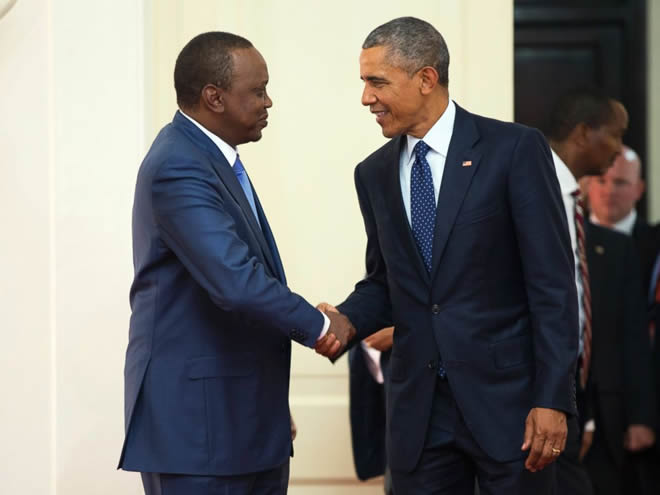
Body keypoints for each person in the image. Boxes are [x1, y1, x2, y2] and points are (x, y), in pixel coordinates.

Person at [317, 16, 579, 494]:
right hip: (419, 415)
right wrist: (346, 323)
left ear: (425, 78)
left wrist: (553, 398)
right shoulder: (372, 174)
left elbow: (553, 287)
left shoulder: (514, 150)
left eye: (377, 82)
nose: (366, 98)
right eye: (364, 83)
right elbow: (385, 281)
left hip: (512, 410)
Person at [117, 32, 354, 495]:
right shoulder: (178, 165)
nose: (269, 102)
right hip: (199, 433)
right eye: (258, 90)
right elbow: (236, 282)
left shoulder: (212, 160)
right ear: (215, 97)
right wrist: (320, 326)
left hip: (240, 420)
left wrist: (264, 402)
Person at [545, 90, 655, 495]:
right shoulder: (533, 190)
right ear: (584, 134)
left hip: (574, 400)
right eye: (616, 134)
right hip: (535, 403)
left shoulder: (571, 200)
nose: (621, 146)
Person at [586, 146, 659, 494]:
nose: (608, 190)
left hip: (631, 406)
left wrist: (643, 414)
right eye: (601, 181)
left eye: (620, 182)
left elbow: (637, 338)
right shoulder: (566, 238)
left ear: (640, 188)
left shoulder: (653, 244)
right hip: (582, 408)